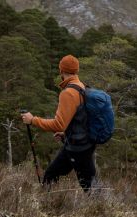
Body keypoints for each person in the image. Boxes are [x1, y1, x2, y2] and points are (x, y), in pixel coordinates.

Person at [21, 55, 96, 192]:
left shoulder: (68, 93)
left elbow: (58, 124)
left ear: (61, 71)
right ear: (76, 70)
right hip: (82, 143)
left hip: (77, 147)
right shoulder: (82, 87)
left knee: (88, 185)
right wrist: (65, 133)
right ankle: (48, 206)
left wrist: (33, 120)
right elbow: (79, 119)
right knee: (53, 175)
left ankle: (102, 209)